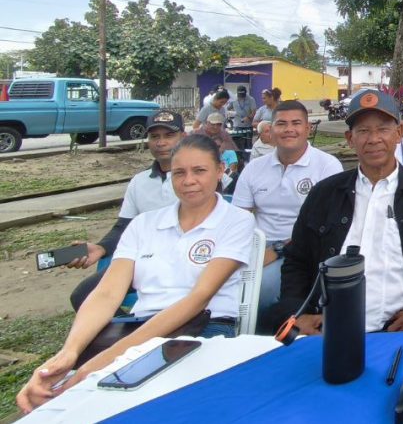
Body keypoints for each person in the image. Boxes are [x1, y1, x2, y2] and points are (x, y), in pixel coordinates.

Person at [17, 134, 255, 414]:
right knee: (67, 401)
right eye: (179, 172)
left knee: (152, 404)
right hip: (139, 327)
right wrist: (69, 353)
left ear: (219, 172)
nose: (189, 180)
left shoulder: (236, 220)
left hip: (203, 328)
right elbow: (107, 293)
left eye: (199, 170)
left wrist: (108, 360)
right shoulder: (144, 224)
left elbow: (198, 299)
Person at [272, 89, 403, 335]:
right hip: (328, 330)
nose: (373, 139)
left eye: (383, 129)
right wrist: (298, 313)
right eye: (363, 131)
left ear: (399, 133)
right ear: (350, 138)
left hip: (402, 332)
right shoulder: (325, 194)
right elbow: (297, 260)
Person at [231, 100, 344, 330]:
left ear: (308, 128)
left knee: (260, 293)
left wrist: (279, 249)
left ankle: (259, 343)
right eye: (281, 123)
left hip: (300, 250)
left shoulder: (327, 166)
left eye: (296, 123)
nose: (289, 129)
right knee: (223, 286)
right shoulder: (254, 167)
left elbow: (325, 224)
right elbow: (239, 219)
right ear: (270, 129)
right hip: (256, 247)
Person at [67, 110, 186, 311]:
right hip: (144, 262)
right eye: (154, 137)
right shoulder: (139, 182)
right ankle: (125, 336)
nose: (161, 143)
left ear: (183, 137)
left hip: (188, 259)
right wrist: (101, 248)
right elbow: (124, 226)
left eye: (169, 135)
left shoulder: (199, 177)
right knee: (83, 296)